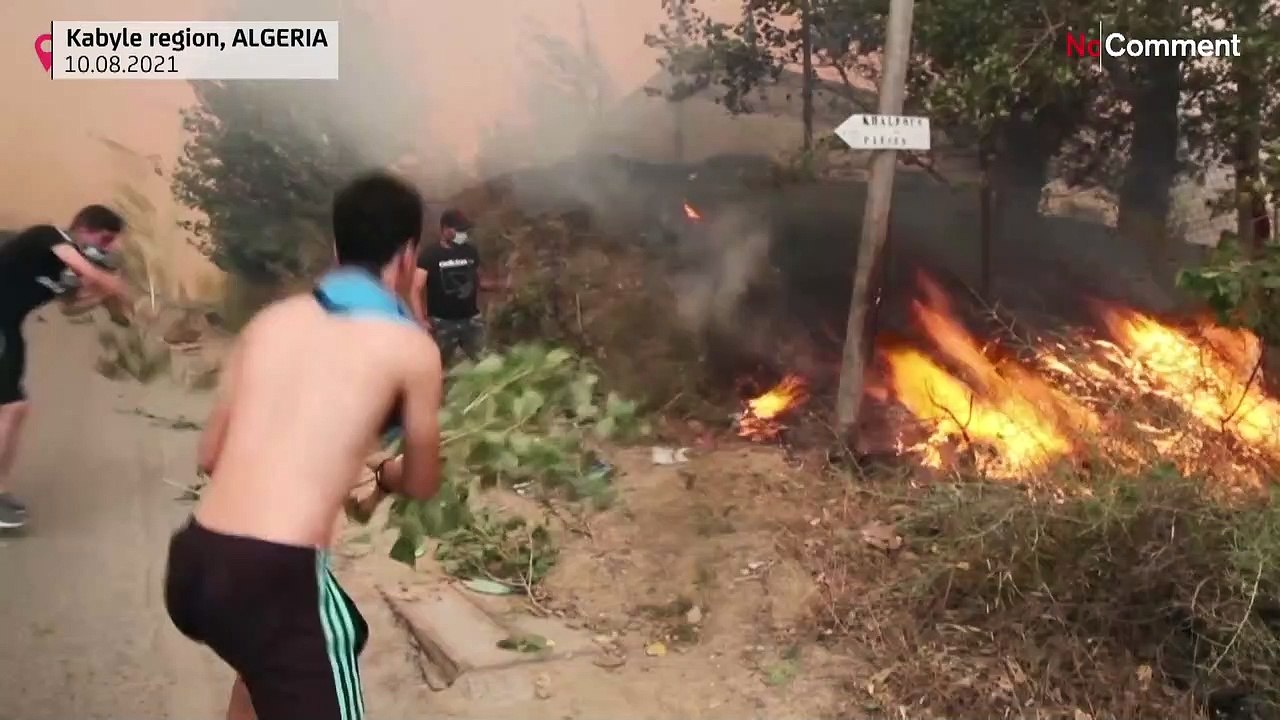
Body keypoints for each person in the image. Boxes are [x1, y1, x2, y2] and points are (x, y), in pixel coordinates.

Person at [163, 171, 444, 720]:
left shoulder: (270, 323)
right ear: (410, 254)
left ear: (336, 247)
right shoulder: (412, 348)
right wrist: (386, 474)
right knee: (315, 636)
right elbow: (422, 482)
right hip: (274, 576)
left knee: (283, 651)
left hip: (195, 565)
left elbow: (211, 456)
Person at [0, 205, 132, 530]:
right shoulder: (47, 236)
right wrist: (117, 287)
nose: (107, 248)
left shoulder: (64, 270)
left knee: (13, 409)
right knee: (11, 409)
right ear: (84, 228)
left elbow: (71, 308)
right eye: (105, 239)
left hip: (8, 329)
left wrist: (101, 298)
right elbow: (91, 273)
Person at [409, 208, 494, 365]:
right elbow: (416, 289)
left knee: (485, 363)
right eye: (459, 230)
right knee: (438, 365)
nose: (463, 234)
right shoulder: (430, 255)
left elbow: (478, 281)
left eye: (464, 230)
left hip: (471, 320)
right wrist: (421, 321)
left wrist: (503, 285)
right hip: (442, 322)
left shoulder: (470, 251)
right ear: (445, 229)